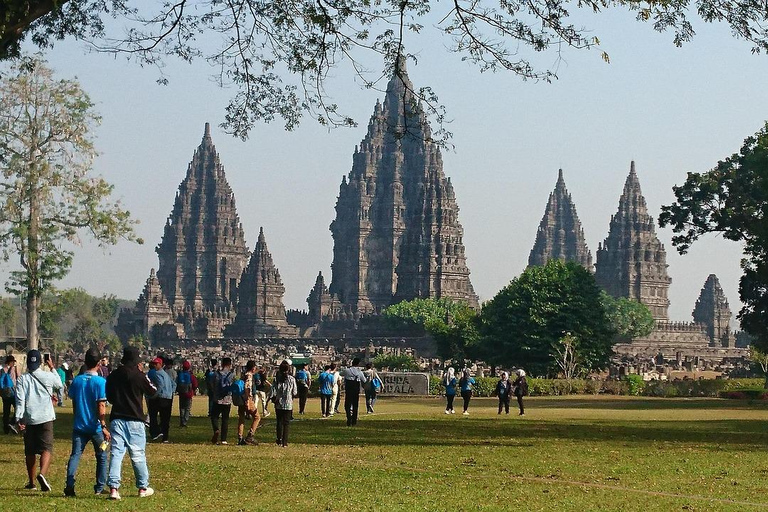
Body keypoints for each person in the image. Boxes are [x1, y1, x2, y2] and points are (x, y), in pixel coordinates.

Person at [106, 346, 157, 500]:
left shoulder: (114, 375)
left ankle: (114, 489)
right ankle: (142, 487)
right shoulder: (139, 375)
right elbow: (153, 391)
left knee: (116, 453)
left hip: (118, 419)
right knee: (137, 454)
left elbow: (109, 397)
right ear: (137, 361)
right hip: (135, 420)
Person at [15, 349, 63, 492]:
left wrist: (19, 417)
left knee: (30, 451)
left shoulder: (22, 379)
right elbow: (60, 384)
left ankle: (31, 482)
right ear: (41, 362)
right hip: (46, 417)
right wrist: (52, 367)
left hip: (30, 418)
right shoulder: (48, 376)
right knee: (46, 448)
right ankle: (42, 474)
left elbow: (20, 400)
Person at [64, 347, 110, 497]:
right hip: (96, 427)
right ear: (98, 363)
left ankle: (69, 485)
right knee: (102, 455)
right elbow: (101, 406)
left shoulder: (77, 380)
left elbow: (75, 402)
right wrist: (103, 426)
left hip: (79, 425)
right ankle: (99, 487)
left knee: (75, 455)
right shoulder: (100, 382)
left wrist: (77, 416)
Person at [270, 360, 297, 447]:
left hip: (278, 403)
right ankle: (285, 442)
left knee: (279, 422)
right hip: (288, 403)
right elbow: (295, 392)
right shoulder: (292, 379)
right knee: (286, 423)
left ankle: (279, 439)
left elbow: (272, 391)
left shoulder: (276, 379)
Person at [147, 357, 174, 443]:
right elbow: (174, 384)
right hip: (168, 397)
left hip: (160, 397)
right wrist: (170, 392)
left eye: (156, 364)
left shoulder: (156, 373)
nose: (154, 365)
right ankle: (165, 437)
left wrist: (154, 395)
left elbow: (160, 385)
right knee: (165, 418)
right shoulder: (165, 374)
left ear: (160, 364)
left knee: (153, 415)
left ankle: (156, 432)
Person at [210, 357, 234, 445]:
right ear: (230, 364)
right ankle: (223, 439)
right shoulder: (232, 374)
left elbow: (212, 385)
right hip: (227, 400)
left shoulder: (216, 374)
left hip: (217, 399)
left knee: (214, 416)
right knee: (225, 419)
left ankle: (216, 429)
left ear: (222, 364)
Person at [236, 360, 260, 446]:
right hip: (247, 398)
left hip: (240, 398)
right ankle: (250, 434)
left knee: (241, 418)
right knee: (257, 417)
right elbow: (247, 388)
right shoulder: (249, 376)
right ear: (253, 368)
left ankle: (240, 437)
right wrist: (248, 400)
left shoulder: (243, 375)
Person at [342, 357, 367, 427]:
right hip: (356, 390)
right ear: (358, 364)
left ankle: (349, 418)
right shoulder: (360, 372)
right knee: (355, 405)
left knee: (347, 405)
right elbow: (364, 380)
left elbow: (341, 373)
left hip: (349, 389)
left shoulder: (347, 370)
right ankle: (354, 420)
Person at [1, 355, 19, 434]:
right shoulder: (14, 369)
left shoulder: (2, 370)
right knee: (18, 408)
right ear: (11, 362)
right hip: (12, 392)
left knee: (6, 412)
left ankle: (6, 429)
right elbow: (19, 378)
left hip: (4, 393)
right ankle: (11, 423)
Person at [176, 360, 197, 428]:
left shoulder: (180, 374)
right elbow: (195, 385)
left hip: (181, 393)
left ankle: (181, 421)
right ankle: (185, 421)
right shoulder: (191, 376)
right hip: (189, 394)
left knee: (182, 408)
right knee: (187, 408)